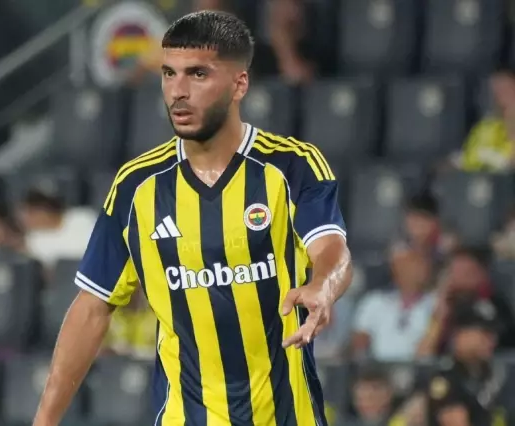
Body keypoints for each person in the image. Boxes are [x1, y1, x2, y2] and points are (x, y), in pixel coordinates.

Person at [34, 10, 351, 426]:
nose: (178, 92)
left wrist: (322, 287)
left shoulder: (291, 167)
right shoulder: (137, 187)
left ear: (239, 84)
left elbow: (332, 250)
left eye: (198, 74)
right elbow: (92, 307)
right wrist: (44, 421)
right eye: (169, 74)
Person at [426, 300, 509, 426]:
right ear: (461, 335)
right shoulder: (446, 377)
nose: (492, 341)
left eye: (493, 335)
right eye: (485, 334)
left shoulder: (495, 373)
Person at [352, 249, 435, 361]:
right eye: (407, 267)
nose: (418, 271)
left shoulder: (435, 304)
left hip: (418, 366)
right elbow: (359, 341)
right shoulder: (374, 302)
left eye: (420, 265)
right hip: (379, 367)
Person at [453, 69, 515, 173]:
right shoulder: (485, 128)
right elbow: (469, 158)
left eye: (508, 89)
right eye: (497, 91)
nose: (502, 95)